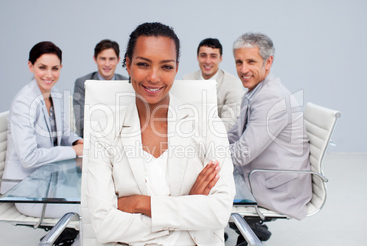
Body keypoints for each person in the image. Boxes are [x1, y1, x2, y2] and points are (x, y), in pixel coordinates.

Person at [84, 22, 235, 245]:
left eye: (165, 67)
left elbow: (219, 211)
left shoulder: (207, 123)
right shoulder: (104, 130)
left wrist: (140, 204)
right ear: (127, 64)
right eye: (143, 64)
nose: (154, 77)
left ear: (176, 68)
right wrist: (189, 207)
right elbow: (104, 225)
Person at [228, 32, 312, 244]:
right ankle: (248, 227)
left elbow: (242, 154)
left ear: (268, 61)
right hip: (265, 174)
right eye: (239, 62)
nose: (243, 69)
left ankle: (218, 233)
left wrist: (204, 158)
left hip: (275, 185)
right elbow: (235, 134)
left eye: (250, 61)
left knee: (199, 186)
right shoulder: (256, 91)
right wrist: (208, 142)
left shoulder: (270, 97)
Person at [1, 41, 83, 219]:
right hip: (26, 190)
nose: (49, 74)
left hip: (50, 180)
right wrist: (73, 151)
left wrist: (76, 141)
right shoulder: (23, 102)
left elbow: (64, 131)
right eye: (42, 67)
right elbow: (29, 159)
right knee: (92, 208)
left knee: (98, 194)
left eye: (54, 68)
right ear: (31, 66)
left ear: (61, 67)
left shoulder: (54, 93)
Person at [183, 38, 244, 130]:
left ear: (221, 58)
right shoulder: (186, 80)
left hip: (219, 139)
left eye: (213, 56)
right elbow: (182, 116)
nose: (207, 61)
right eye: (203, 55)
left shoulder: (233, 84)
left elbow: (229, 122)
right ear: (197, 57)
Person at [73, 39, 128, 137]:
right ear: (95, 59)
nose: (107, 64)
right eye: (102, 59)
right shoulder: (82, 83)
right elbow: (80, 121)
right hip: (91, 137)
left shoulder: (126, 83)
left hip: (120, 138)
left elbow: (129, 118)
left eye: (111, 59)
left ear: (118, 60)